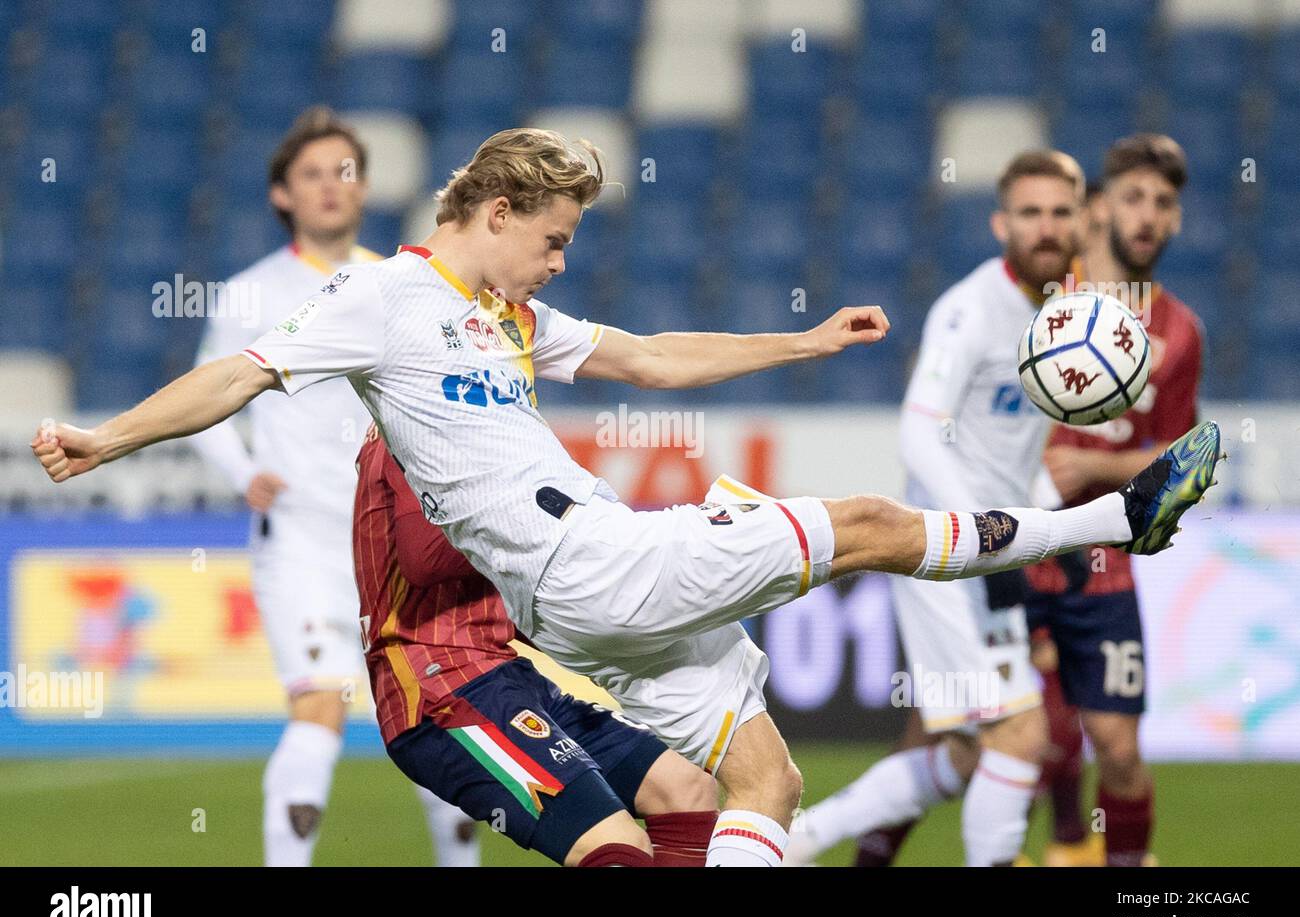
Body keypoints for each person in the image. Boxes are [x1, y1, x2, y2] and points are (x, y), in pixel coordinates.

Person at [32, 127, 1223, 870]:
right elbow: (236, 373)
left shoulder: (507, 314)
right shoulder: (379, 300)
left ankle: (1124, 519)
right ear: (494, 213)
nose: (558, 264)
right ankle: (1124, 519)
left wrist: (801, 344)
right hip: (584, 569)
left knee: (763, 780)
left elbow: (651, 356)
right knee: (865, 523)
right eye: (550, 240)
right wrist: (107, 435)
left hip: (589, 586)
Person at [788, 151, 1094, 867]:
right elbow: (920, 431)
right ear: (1000, 223)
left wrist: (1056, 530)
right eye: (1029, 212)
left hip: (992, 545)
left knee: (960, 756)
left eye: (1059, 212)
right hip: (944, 554)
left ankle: (795, 841)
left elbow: (1013, 453)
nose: (1045, 227)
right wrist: (984, 538)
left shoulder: (1062, 313)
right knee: (1021, 737)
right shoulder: (970, 309)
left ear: (1081, 219)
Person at [190, 106, 476, 866]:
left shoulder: (399, 285)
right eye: (311, 174)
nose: (329, 187)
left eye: (344, 172)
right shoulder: (250, 294)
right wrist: (245, 472)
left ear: (364, 188)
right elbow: (204, 400)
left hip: (394, 542)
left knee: (439, 713)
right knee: (319, 706)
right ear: (283, 194)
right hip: (304, 539)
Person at [355, 423, 719, 865]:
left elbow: (514, 590)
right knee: (616, 848)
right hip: (439, 690)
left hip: (503, 675)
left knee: (685, 787)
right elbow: (424, 558)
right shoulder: (417, 418)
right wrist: (538, 522)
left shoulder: (483, 422)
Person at [1028, 133, 1203, 868]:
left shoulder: (1180, 332)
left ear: (1177, 222)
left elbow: (1179, 454)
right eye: (1133, 197)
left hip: (1103, 561)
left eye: (1164, 203)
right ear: (1098, 210)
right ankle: (1067, 844)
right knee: (1035, 739)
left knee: (1121, 751)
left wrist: (1096, 469)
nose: (1148, 216)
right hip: (1013, 547)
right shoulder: (1037, 299)